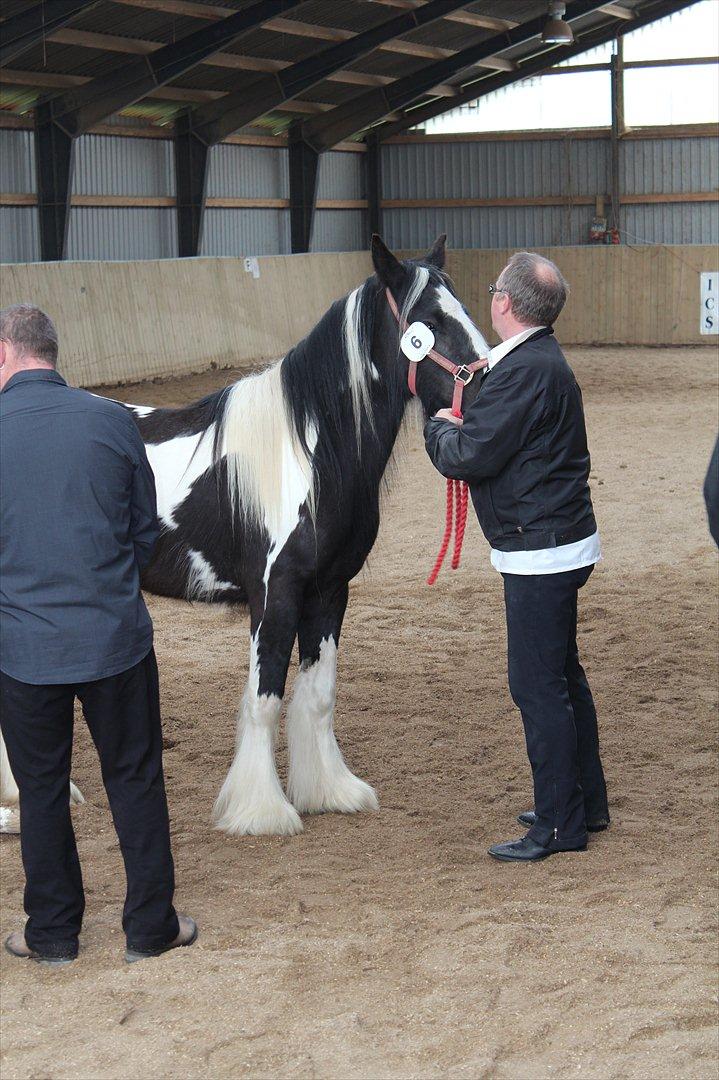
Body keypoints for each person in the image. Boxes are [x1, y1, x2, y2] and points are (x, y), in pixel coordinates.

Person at [0, 304, 196, 964]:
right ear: (52, 353)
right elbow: (145, 531)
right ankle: (151, 928)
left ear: (5, 353)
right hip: (114, 639)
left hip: (25, 649)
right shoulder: (111, 421)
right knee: (135, 779)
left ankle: (53, 933)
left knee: (42, 790)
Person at [424, 252, 609, 863]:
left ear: (504, 301)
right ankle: (582, 802)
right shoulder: (536, 361)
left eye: (494, 289)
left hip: (541, 551)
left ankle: (559, 825)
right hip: (557, 541)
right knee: (562, 677)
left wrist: (439, 426)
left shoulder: (524, 370)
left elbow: (468, 455)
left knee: (536, 688)